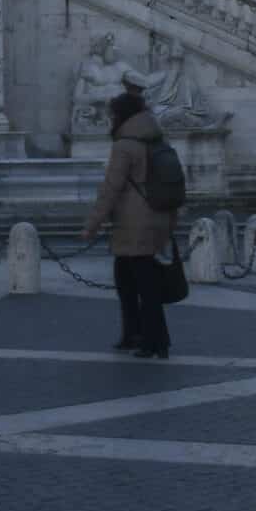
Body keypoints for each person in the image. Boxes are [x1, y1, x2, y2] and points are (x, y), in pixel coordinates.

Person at [83, 85, 174, 359]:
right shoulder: (156, 140)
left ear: (121, 115)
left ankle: (155, 341)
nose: (111, 119)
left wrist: (93, 224)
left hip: (133, 224)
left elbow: (112, 187)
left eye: (113, 115)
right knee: (127, 277)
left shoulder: (125, 145)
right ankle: (132, 333)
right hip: (155, 217)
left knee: (143, 285)